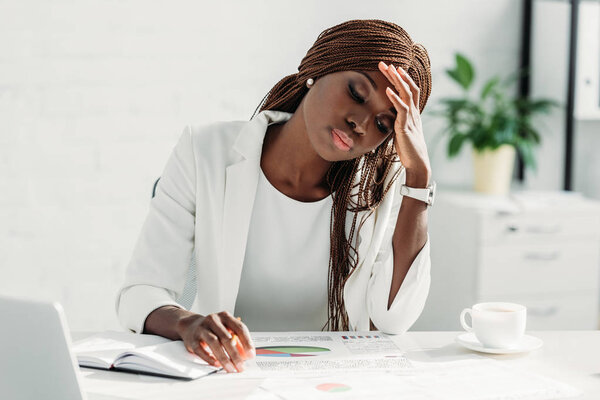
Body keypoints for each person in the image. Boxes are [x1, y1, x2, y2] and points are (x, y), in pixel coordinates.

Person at [115, 19, 433, 374]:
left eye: (383, 124)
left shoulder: (381, 188)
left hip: (333, 382)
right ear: (318, 68)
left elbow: (394, 319)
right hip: (230, 377)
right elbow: (140, 293)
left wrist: (418, 179)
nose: (361, 122)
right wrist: (186, 323)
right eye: (358, 93)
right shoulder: (204, 152)